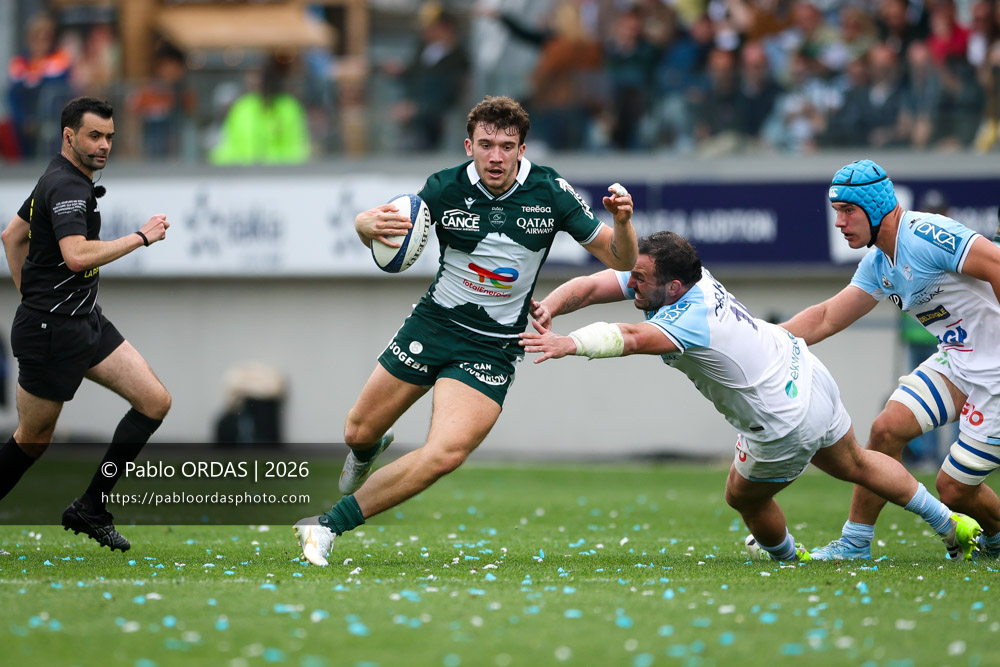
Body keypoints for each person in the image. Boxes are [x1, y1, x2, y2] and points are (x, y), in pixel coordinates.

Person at [294, 95, 638, 566]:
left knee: (445, 453)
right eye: (485, 145)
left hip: (493, 347)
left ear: (522, 148)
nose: (496, 156)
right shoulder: (442, 187)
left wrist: (623, 223)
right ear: (468, 145)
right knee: (358, 429)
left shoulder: (551, 191)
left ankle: (326, 526)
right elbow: (391, 237)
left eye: (507, 146)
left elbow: (621, 260)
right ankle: (366, 450)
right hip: (433, 325)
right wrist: (361, 226)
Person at [519, 230, 980, 562]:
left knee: (744, 498)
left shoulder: (687, 318)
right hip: (806, 371)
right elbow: (598, 284)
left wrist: (567, 344)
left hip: (783, 419)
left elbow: (630, 337)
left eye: (639, 278)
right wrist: (550, 308)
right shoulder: (682, 276)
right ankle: (952, 523)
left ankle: (787, 558)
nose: (630, 282)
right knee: (855, 462)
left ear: (673, 288)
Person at [781, 158, 1000, 560]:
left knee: (953, 489)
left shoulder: (927, 235)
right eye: (836, 212)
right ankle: (855, 542)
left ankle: (997, 534)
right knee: (885, 430)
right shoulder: (880, 261)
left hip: (997, 372)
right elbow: (829, 316)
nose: (839, 223)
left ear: (876, 206)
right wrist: (766, 341)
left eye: (847, 211)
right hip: (959, 361)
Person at [0, 97, 172, 552]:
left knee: (154, 401)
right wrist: (140, 237)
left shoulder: (56, 178)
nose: (104, 145)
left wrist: (28, 290)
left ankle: (91, 507)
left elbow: (12, 236)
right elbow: (76, 256)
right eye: (94, 136)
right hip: (51, 331)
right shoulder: (68, 188)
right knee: (32, 441)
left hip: (84, 321)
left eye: (110, 137)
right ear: (68, 136)